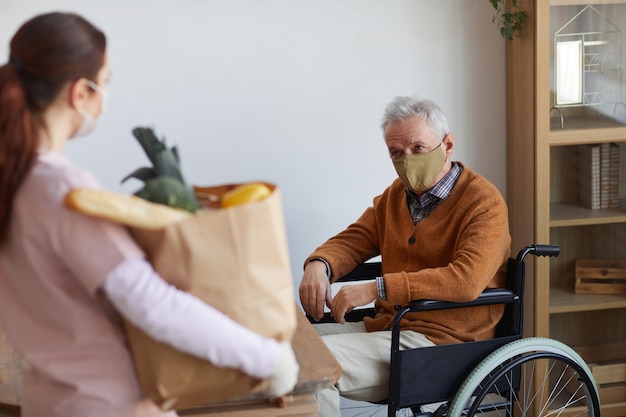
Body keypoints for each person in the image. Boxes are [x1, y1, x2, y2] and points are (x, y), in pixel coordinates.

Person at [0, 12, 298, 417]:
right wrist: (269, 358)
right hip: (110, 404)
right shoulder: (61, 190)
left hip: (47, 400)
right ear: (79, 93)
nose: (105, 94)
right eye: (104, 81)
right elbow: (151, 303)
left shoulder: (13, 181)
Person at [299, 95, 511, 416]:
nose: (407, 159)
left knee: (309, 364)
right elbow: (354, 240)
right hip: (388, 328)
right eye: (396, 153)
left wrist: (377, 288)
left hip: (440, 343)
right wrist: (319, 264)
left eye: (418, 148)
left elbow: (466, 280)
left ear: (447, 144)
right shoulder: (394, 198)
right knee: (278, 349)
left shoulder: (483, 201)